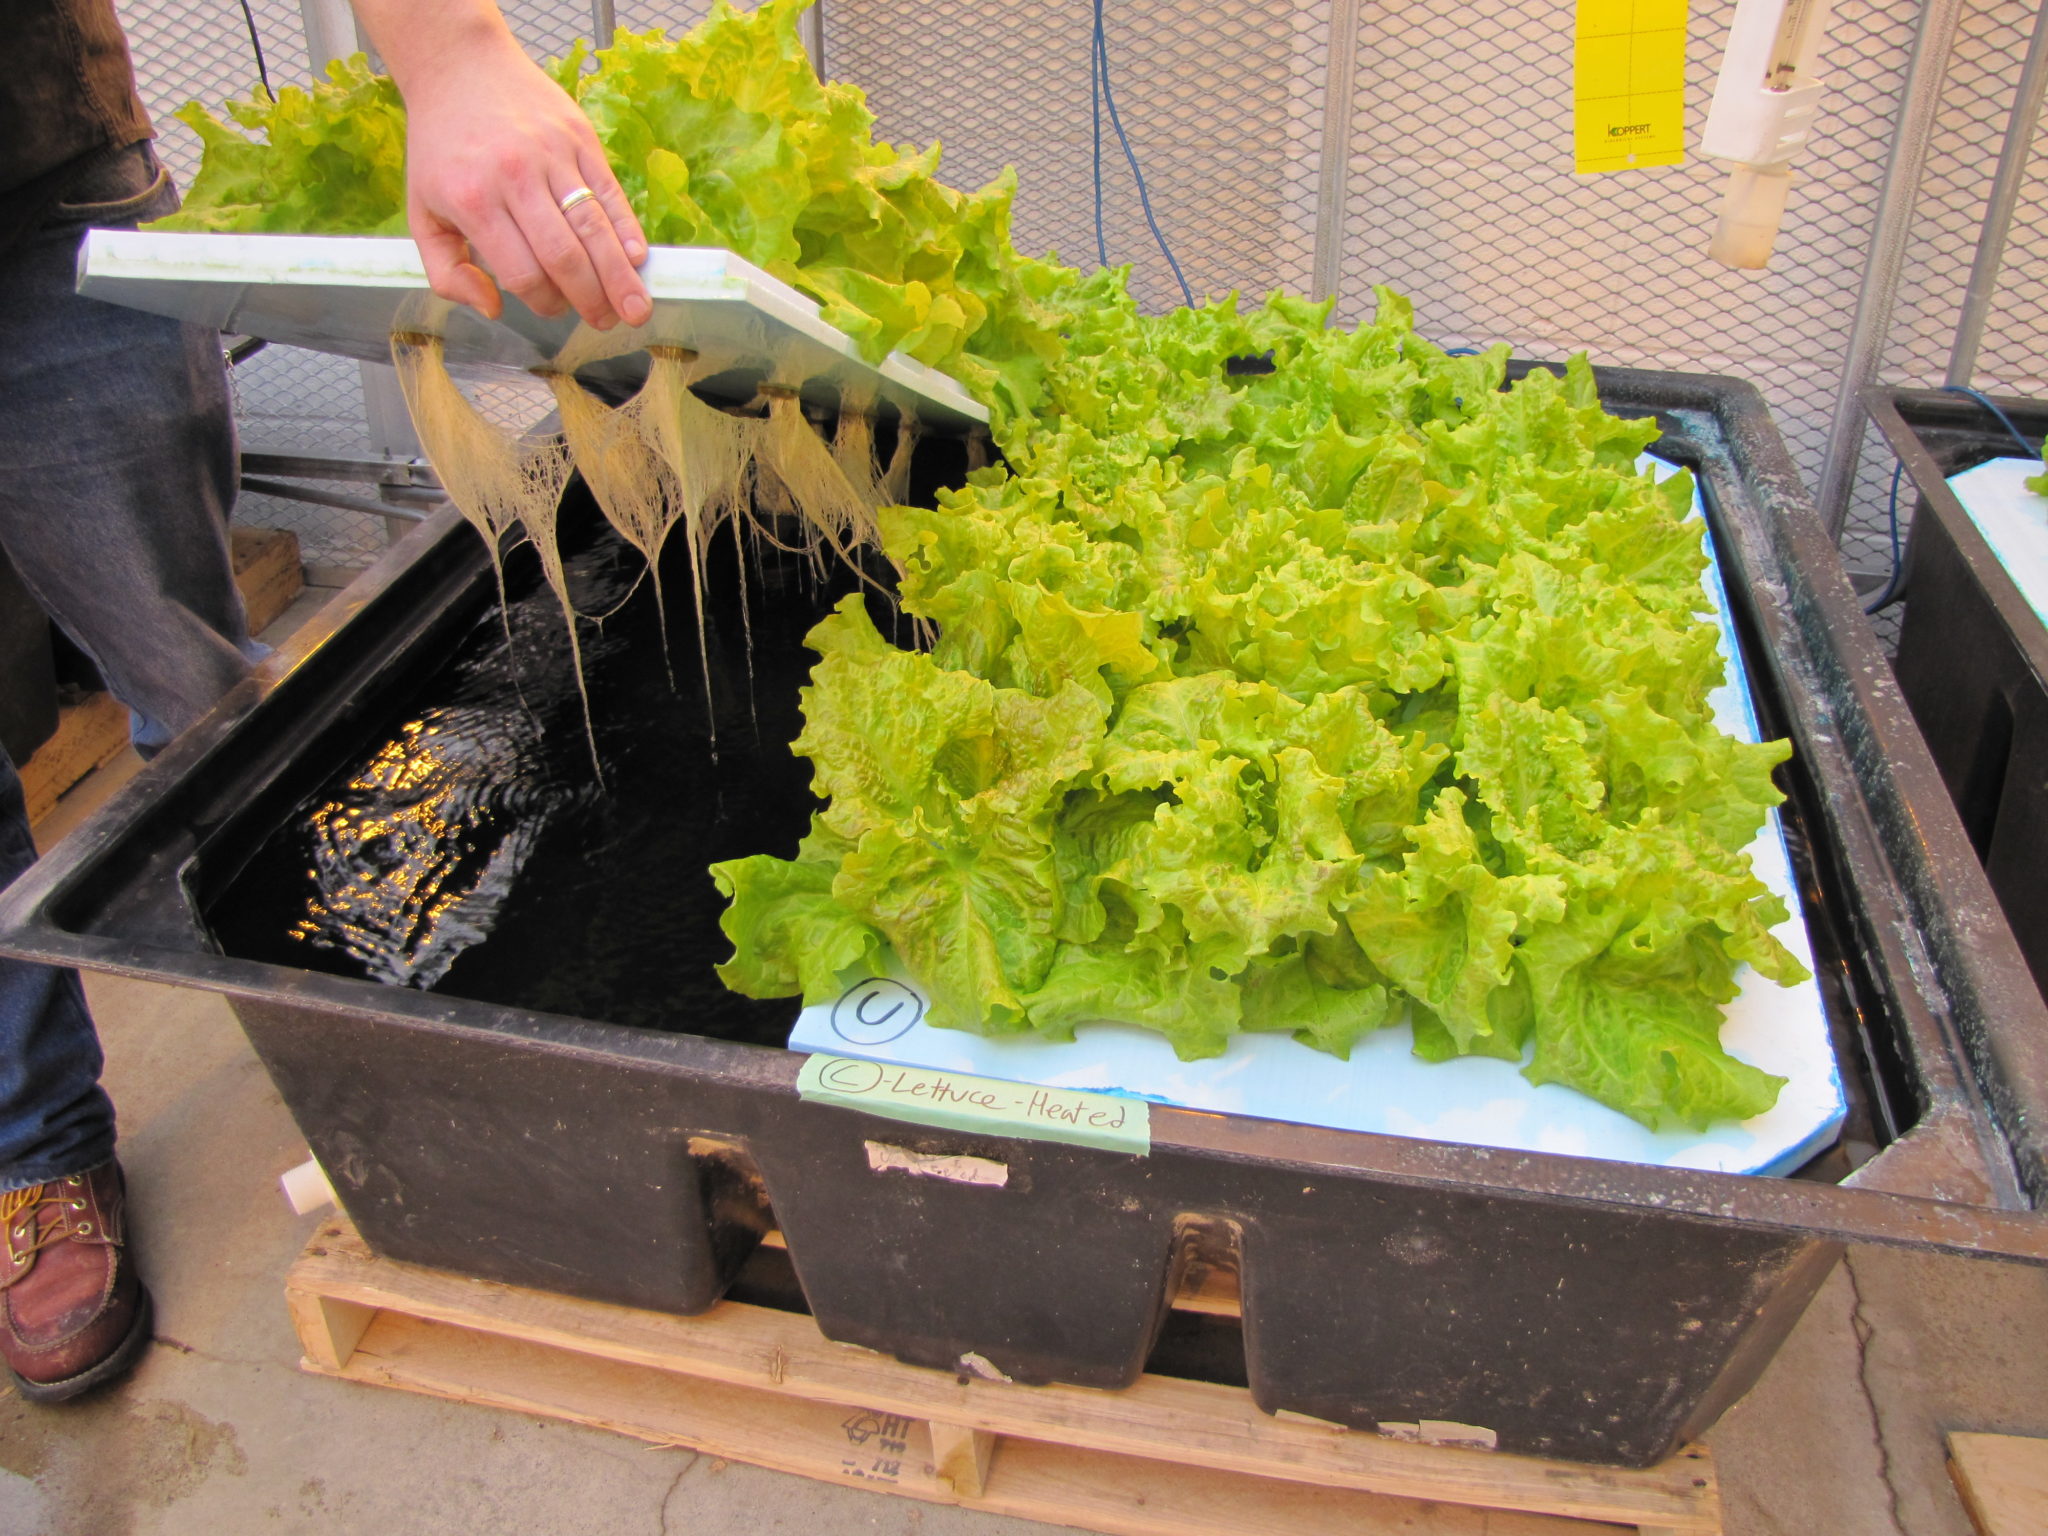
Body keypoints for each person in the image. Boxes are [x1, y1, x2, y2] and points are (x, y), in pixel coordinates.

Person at [0, 0, 649, 1403]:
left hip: (32, 169)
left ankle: (355, 1029)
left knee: (203, 705)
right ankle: (32, 1148)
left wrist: (456, 53)